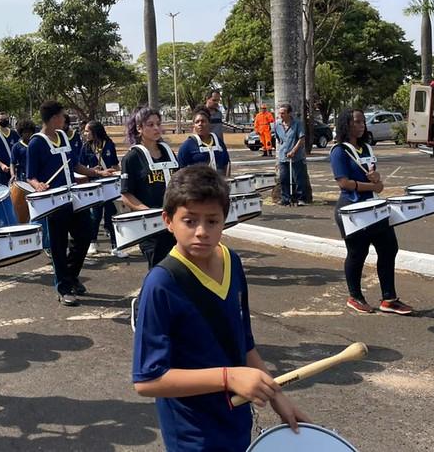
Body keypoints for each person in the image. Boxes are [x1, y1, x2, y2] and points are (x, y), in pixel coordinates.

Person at [132, 164, 309, 451]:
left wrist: (278, 398)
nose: (201, 232)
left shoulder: (232, 261)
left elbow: (245, 344)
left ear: (225, 221)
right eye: (189, 221)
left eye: (212, 221)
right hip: (193, 435)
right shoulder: (161, 284)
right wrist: (229, 377)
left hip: (236, 422)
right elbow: (148, 380)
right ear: (168, 220)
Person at [27, 100, 112, 306]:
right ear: (54, 117)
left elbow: (75, 165)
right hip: (54, 202)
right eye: (63, 115)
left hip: (74, 198)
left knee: (84, 236)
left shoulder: (64, 137)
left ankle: (71, 276)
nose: (65, 118)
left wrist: (97, 172)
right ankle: (63, 288)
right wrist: (38, 185)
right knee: (58, 245)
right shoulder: (36, 143)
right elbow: (31, 175)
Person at [330, 109, 413, 315]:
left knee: (389, 248)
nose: (361, 125)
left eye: (362, 122)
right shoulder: (339, 151)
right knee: (358, 253)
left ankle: (389, 299)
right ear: (346, 124)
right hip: (352, 210)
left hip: (374, 208)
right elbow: (344, 183)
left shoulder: (367, 147)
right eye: (356, 122)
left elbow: (375, 181)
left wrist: (377, 179)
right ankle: (355, 296)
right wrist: (372, 187)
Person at [120, 107, 179, 268]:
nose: (156, 128)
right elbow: (126, 194)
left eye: (158, 124)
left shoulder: (169, 153)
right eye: (150, 124)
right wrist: (150, 212)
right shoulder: (131, 158)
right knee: (160, 270)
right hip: (152, 228)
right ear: (139, 128)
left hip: (175, 222)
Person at [81, 120, 122, 257]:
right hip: (94, 186)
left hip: (109, 185)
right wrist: (92, 170)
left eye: (87, 131)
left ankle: (115, 246)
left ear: (95, 132)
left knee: (111, 215)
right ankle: (92, 243)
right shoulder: (86, 147)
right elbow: (80, 167)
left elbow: (116, 165)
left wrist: (114, 170)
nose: (85, 133)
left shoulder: (109, 144)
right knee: (95, 216)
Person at [177, 106, 230, 175]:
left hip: (218, 183)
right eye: (197, 122)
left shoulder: (218, 142)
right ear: (193, 126)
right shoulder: (187, 146)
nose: (200, 124)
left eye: (203, 121)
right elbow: (181, 170)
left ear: (209, 123)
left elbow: (227, 164)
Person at [273, 104, 306, 206]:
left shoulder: (297, 124)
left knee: (298, 179)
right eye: (279, 113)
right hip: (283, 156)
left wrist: (293, 151)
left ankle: (300, 198)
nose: (280, 115)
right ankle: (285, 198)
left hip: (296, 157)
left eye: (283, 113)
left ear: (289, 113)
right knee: (284, 178)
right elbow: (279, 139)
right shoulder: (277, 125)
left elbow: (301, 139)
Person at [9, 119, 36, 223]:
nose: (28, 134)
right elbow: (12, 162)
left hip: (35, 178)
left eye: (29, 132)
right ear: (20, 133)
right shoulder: (16, 147)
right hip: (23, 178)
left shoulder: (35, 144)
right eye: (25, 132)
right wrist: (13, 175)